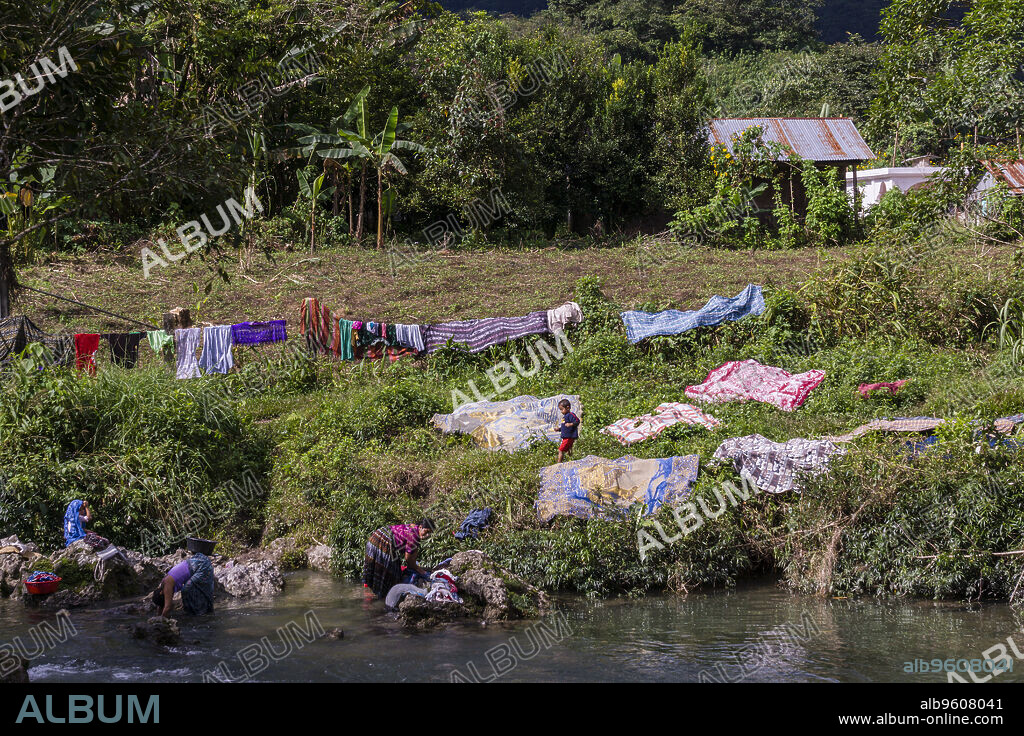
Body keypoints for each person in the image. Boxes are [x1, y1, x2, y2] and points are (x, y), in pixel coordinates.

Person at [362, 519, 435, 600]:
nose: (427, 535)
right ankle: (380, 599)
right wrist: (420, 570)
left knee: (382, 571)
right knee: (390, 573)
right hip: (383, 542)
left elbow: (413, 552)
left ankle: (370, 595)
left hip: (377, 536)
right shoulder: (414, 536)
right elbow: (408, 559)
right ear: (421, 527)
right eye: (427, 531)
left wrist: (416, 566)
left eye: (430, 533)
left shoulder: (414, 528)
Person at [152, 553, 215, 617]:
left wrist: (161, 620)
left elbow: (167, 607)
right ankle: (199, 610)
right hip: (198, 560)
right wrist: (158, 616)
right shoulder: (163, 584)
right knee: (190, 587)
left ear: (162, 593)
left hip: (201, 565)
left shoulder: (167, 586)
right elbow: (161, 605)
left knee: (186, 590)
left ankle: (197, 613)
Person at [557, 399, 580, 463]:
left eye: (562, 409)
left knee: (560, 450)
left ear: (568, 408)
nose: (561, 411)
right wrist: (559, 429)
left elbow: (577, 421)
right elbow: (564, 427)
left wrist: (571, 424)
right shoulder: (565, 417)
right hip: (566, 437)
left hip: (569, 437)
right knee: (568, 450)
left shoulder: (571, 415)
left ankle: (558, 464)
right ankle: (571, 460)